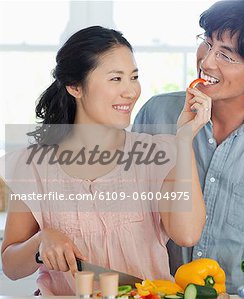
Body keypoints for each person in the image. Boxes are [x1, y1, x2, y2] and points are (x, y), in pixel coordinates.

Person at [0, 26, 210, 295]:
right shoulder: (33, 166)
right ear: (75, 86)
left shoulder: (161, 155)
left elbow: (188, 234)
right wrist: (42, 241)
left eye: (134, 77)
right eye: (116, 79)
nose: (131, 91)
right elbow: (11, 267)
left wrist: (183, 141)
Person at [133, 0, 244, 293]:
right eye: (207, 44)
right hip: (160, 291)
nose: (206, 62)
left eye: (226, 56)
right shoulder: (157, 115)